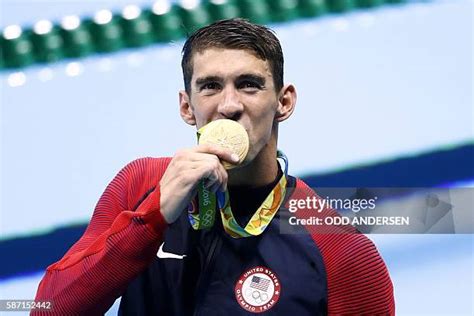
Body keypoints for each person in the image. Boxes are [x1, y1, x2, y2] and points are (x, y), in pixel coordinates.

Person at [33, 18, 395, 315]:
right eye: (210, 87)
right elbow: (48, 309)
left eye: (249, 85)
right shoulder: (139, 185)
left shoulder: (340, 251)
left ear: (284, 103)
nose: (230, 105)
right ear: (187, 107)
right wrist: (153, 217)